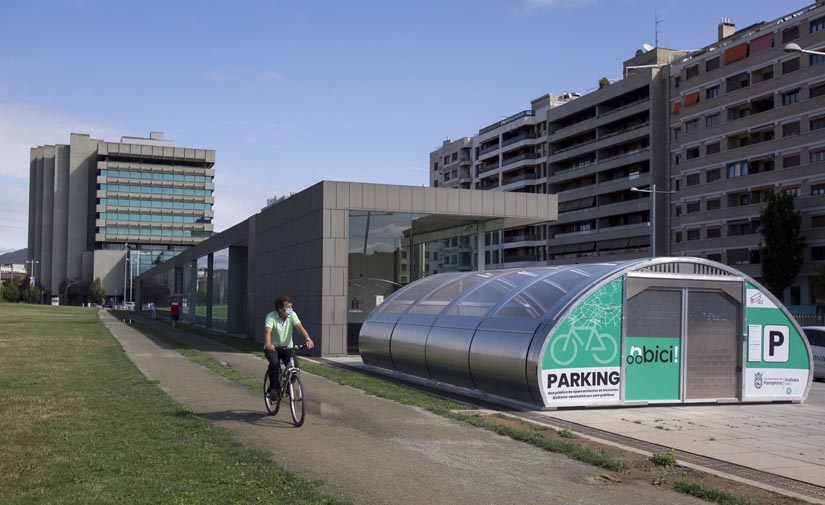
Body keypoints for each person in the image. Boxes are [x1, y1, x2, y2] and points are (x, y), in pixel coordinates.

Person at [264, 296, 314, 398]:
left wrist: (308, 339)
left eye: (291, 306)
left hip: (287, 347)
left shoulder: (292, 315)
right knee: (275, 364)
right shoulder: (271, 316)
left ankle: (287, 387)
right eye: (288, 307)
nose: (290, 309)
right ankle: (274, 389)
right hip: (273, 348)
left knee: (295, 367)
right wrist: (269, 344)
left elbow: (300, 327)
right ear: (279, 308)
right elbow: (267, 331)